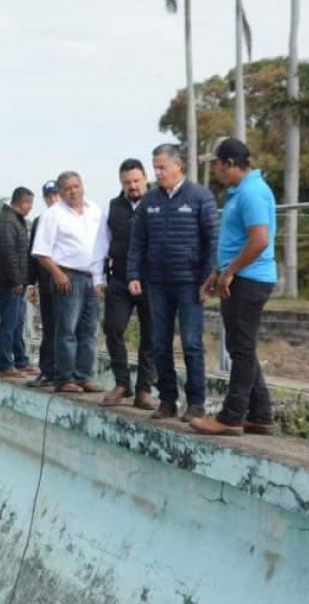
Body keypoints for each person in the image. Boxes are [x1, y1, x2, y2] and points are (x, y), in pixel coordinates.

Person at [127, 144, 219, 422]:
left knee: (191, 344)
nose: (157, 172)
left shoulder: (201, 197)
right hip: (157, 284)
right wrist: (133, 274)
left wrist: (208, 279)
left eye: (162, 167)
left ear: (179, 166)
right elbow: (137, 242)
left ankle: (196, 403)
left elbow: (212, 240)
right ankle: (168, 400)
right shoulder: (150, 201)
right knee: (159, 344)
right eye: (155, 167)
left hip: (190, 285)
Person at [192, 138, 277, 436]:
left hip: (249, 279)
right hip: (240, 276)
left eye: (215, 164)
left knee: (240, 349)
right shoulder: (239, 192)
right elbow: (236, 241)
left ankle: (231, 417)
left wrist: (230, 272)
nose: (214, 170)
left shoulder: (252, 193)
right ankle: (260, 413)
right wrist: (218, 271)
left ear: (229, 163)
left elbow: (259, 241)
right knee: (242, 346)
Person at [31, 171, 108, 394]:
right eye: (67, 188)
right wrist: (57, 274)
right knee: (67, 330)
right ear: (61, 192)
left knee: (89, 329)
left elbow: (104, 244)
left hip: (92, 276)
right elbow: (41, 252)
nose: (73, 191)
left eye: (76, 186)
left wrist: (100, 279)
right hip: (68, 277)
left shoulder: (95, 210)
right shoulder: (54, 214)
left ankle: (83, 375)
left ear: (82, 186)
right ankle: (64, 377)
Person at [99, 159, 158, 410]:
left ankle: (144, 389)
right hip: (120, 279)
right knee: (112, 328)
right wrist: (98, 278)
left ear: (145, 178)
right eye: (127, 182)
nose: (132, 186)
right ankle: (122, 382)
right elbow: (102, 244)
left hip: (152, 280)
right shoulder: (113, 207)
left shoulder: (158, 202)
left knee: (151, 336)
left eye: (136, 181)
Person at [0, 187, 37, 378]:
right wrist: (17, 280)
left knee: (17, 322)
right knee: (9, 323)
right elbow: (9, 255)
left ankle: (20, 361)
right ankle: (5, 363)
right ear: (21, 202)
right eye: (30, 204)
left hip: (15, 281)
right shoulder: (7, 222)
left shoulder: (15, 221)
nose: (30, 208)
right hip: (8, 282)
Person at [26, 181, 61, 387]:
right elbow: (33, 254)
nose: (54, 199)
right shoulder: (40, 221)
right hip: (46, 283)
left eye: (56, 194)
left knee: (67, 329)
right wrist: (31, 284)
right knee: (49, 328)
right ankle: (47, 369)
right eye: (50, 196)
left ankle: (68, 371)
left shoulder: (71, 218)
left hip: (67, 282)